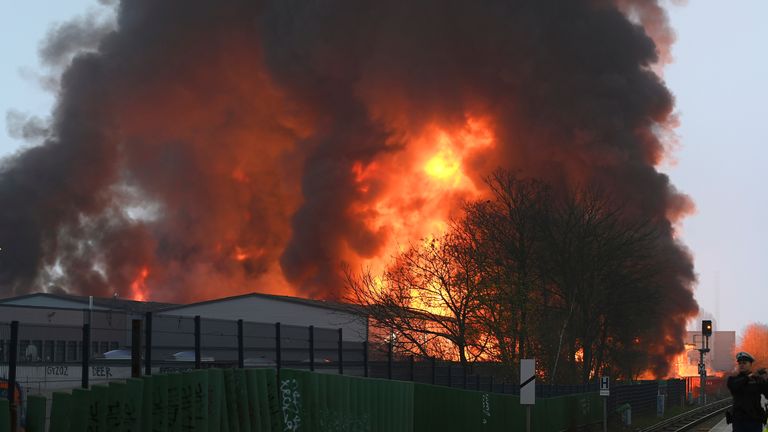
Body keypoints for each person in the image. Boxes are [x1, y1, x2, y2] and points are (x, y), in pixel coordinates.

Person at [727, 351, 768, 431]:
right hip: (739, 420)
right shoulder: (733, 379)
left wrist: (766, 379)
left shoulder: (757, 380)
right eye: (740, 363)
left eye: (744, 363)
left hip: (755, 419)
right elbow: (734, 387)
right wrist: (750, 376)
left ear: (750, 364)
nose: (741, 365)